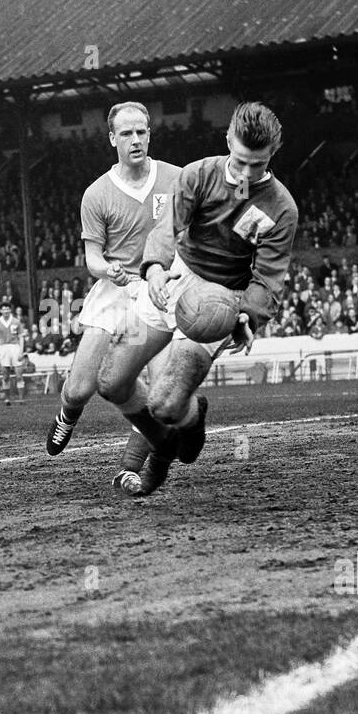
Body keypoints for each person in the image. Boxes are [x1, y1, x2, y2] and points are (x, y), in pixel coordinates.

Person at [95, 102, 298, 496]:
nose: (245, 173)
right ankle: (169, 440)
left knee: (166, 404)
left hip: (220, 299)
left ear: (272, 155)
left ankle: (174, 433)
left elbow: (269, 278)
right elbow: (166, 228)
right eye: (239, 161)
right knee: (111, 382)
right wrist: (153, 267)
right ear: (227, 141)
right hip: (173, 277)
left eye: (257, 165)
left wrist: (247, 316)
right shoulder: (199, 175)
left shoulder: (282, 208)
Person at [42, 101, 177, 493]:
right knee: (82, 387)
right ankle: (68, 414)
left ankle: (129, 469)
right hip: (115, 292)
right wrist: (107, 269)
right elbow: (93, 258)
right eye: (127, 133)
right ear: (112, 139)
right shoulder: (97, 194)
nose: (136, 139)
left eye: (142, 131)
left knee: (162, 390)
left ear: (149, 133)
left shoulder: (176, 178)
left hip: (158, 290)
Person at [0, 303, 24, 402]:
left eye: (7, 309)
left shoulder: (16, 321)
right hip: (4, 348)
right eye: (4, 309)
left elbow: (21, 336)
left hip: (15, 347)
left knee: (19, 374)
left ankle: (21, 398)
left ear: (10, 310)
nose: (6, 311)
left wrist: (21, 351)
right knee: (6, 375)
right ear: (1, 311)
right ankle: (7, 398)